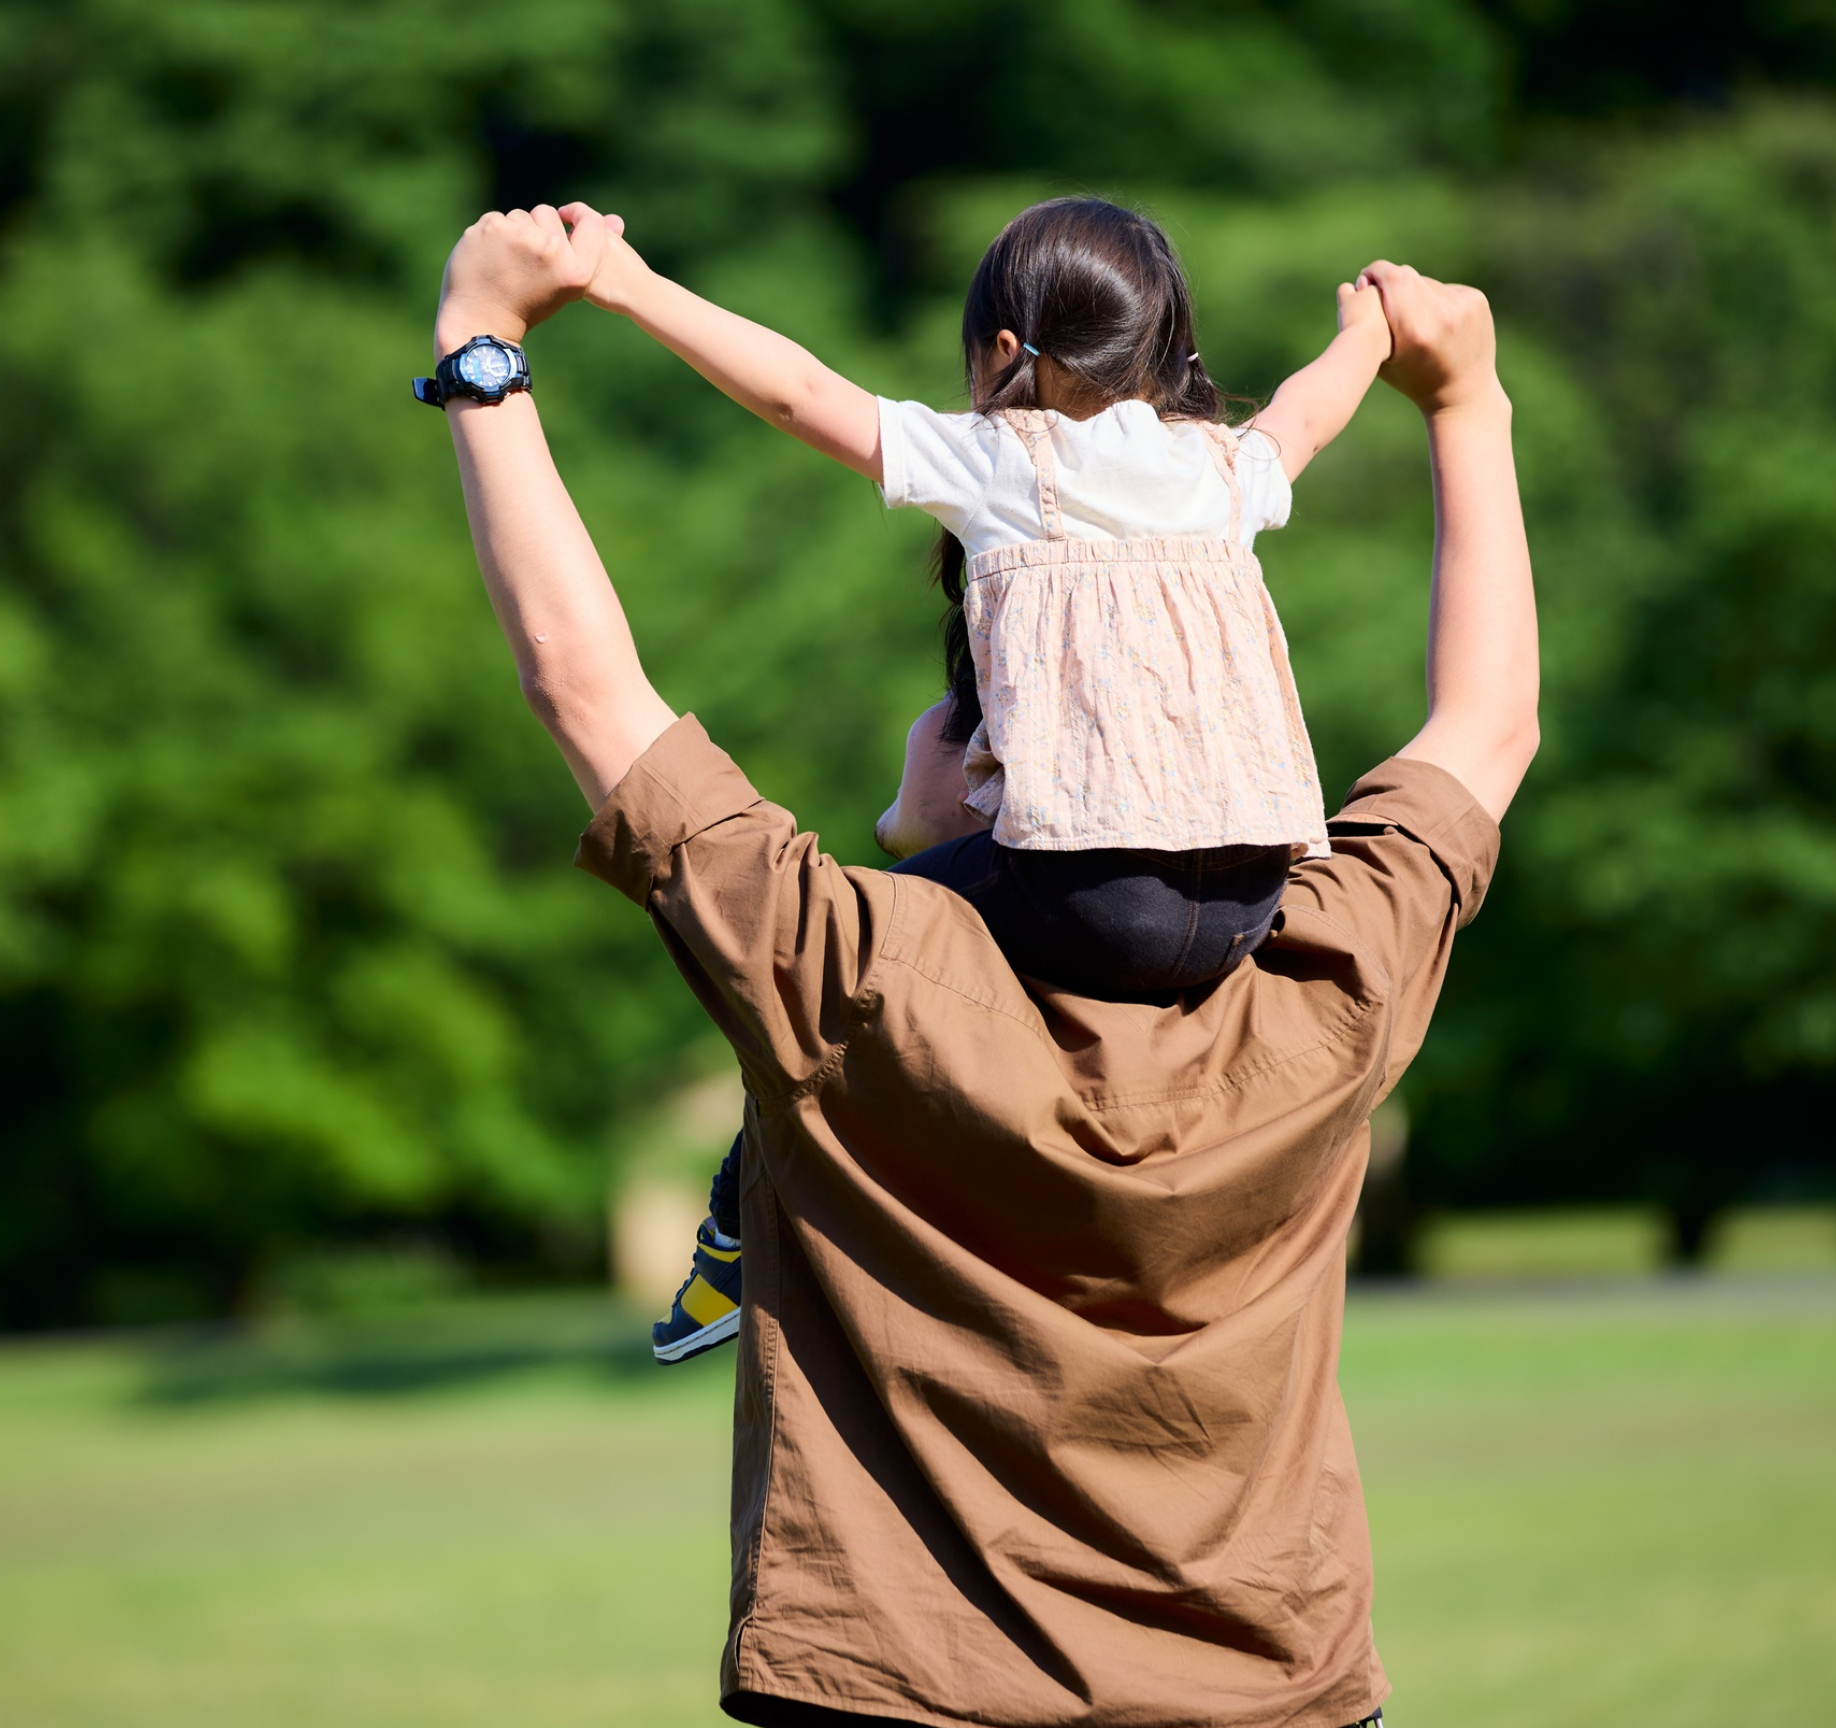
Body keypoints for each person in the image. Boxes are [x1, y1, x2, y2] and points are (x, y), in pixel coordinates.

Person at [428, 202, 1536, 1728]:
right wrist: (1463, 400)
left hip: (910, 1694)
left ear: (1006, 754)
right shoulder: (1328, 980)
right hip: (1275, 1693)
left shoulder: (847, 983)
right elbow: (1487, 726)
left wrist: (483, 353)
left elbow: (586, 688)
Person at [573, 197, 1396, 1363]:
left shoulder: (1006, 462)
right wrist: (1367, 331)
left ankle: (729, 1240)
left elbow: (800, 393)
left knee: (834, 980)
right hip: (1252, 898)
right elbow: (1311, 409)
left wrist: (628, 283)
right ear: (1164, 354)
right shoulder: (1221, 469)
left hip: (1089, 893)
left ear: (1004, 353)